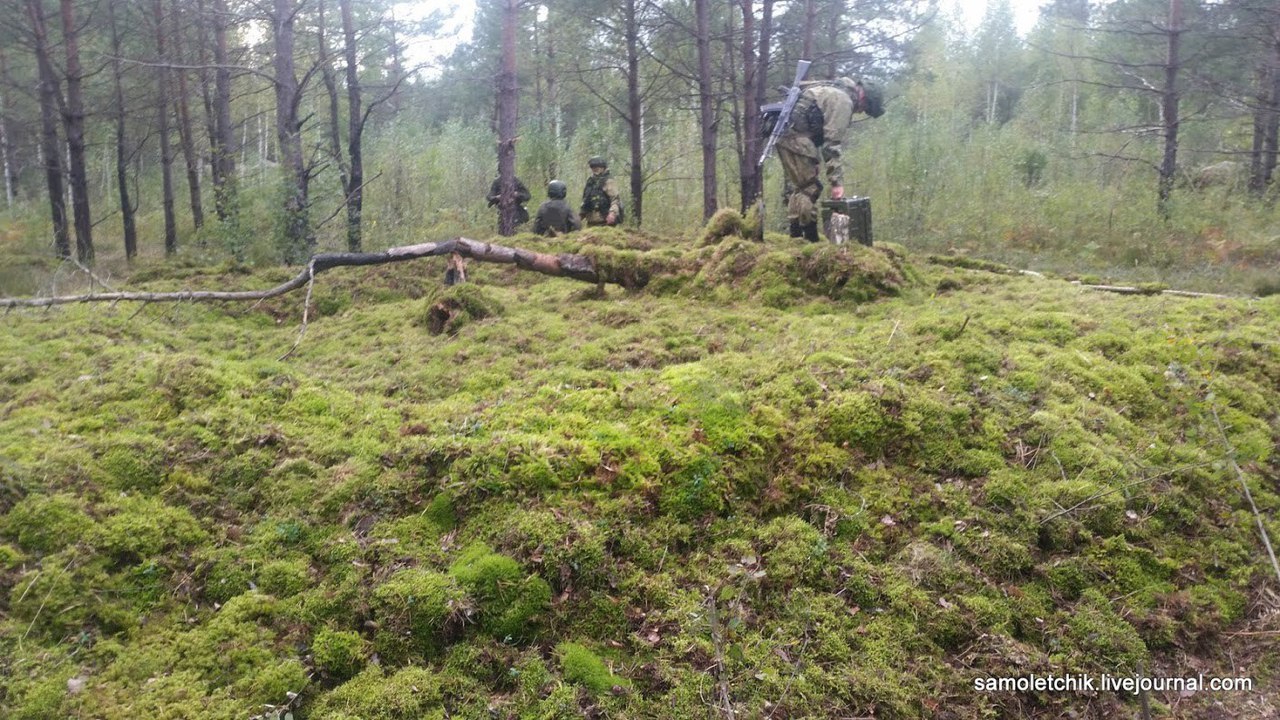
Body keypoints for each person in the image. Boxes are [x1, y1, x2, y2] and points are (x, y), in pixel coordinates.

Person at [775, 77, 883, 242]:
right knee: (810, 189)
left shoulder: (834, 89)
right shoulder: (843, 102)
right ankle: (809, 240)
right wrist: (836, 183)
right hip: (796, 139)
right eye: (865, 108)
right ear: (864, 98)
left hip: (787, 136)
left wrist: (813, 160)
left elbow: (816, 126)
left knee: (802, 188)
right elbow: (831, 145)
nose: (861, 111)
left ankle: (795, 236)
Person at [580, 156, 622, 227]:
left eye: (597, 167)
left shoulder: (608, 181)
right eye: (593, 167)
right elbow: (586, 200)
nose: (595, 169)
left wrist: (612, 213)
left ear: (603, 168)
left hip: (605, 222)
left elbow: (615, 200)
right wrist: (580, 215)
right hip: (591, 222)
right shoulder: (590, 182)